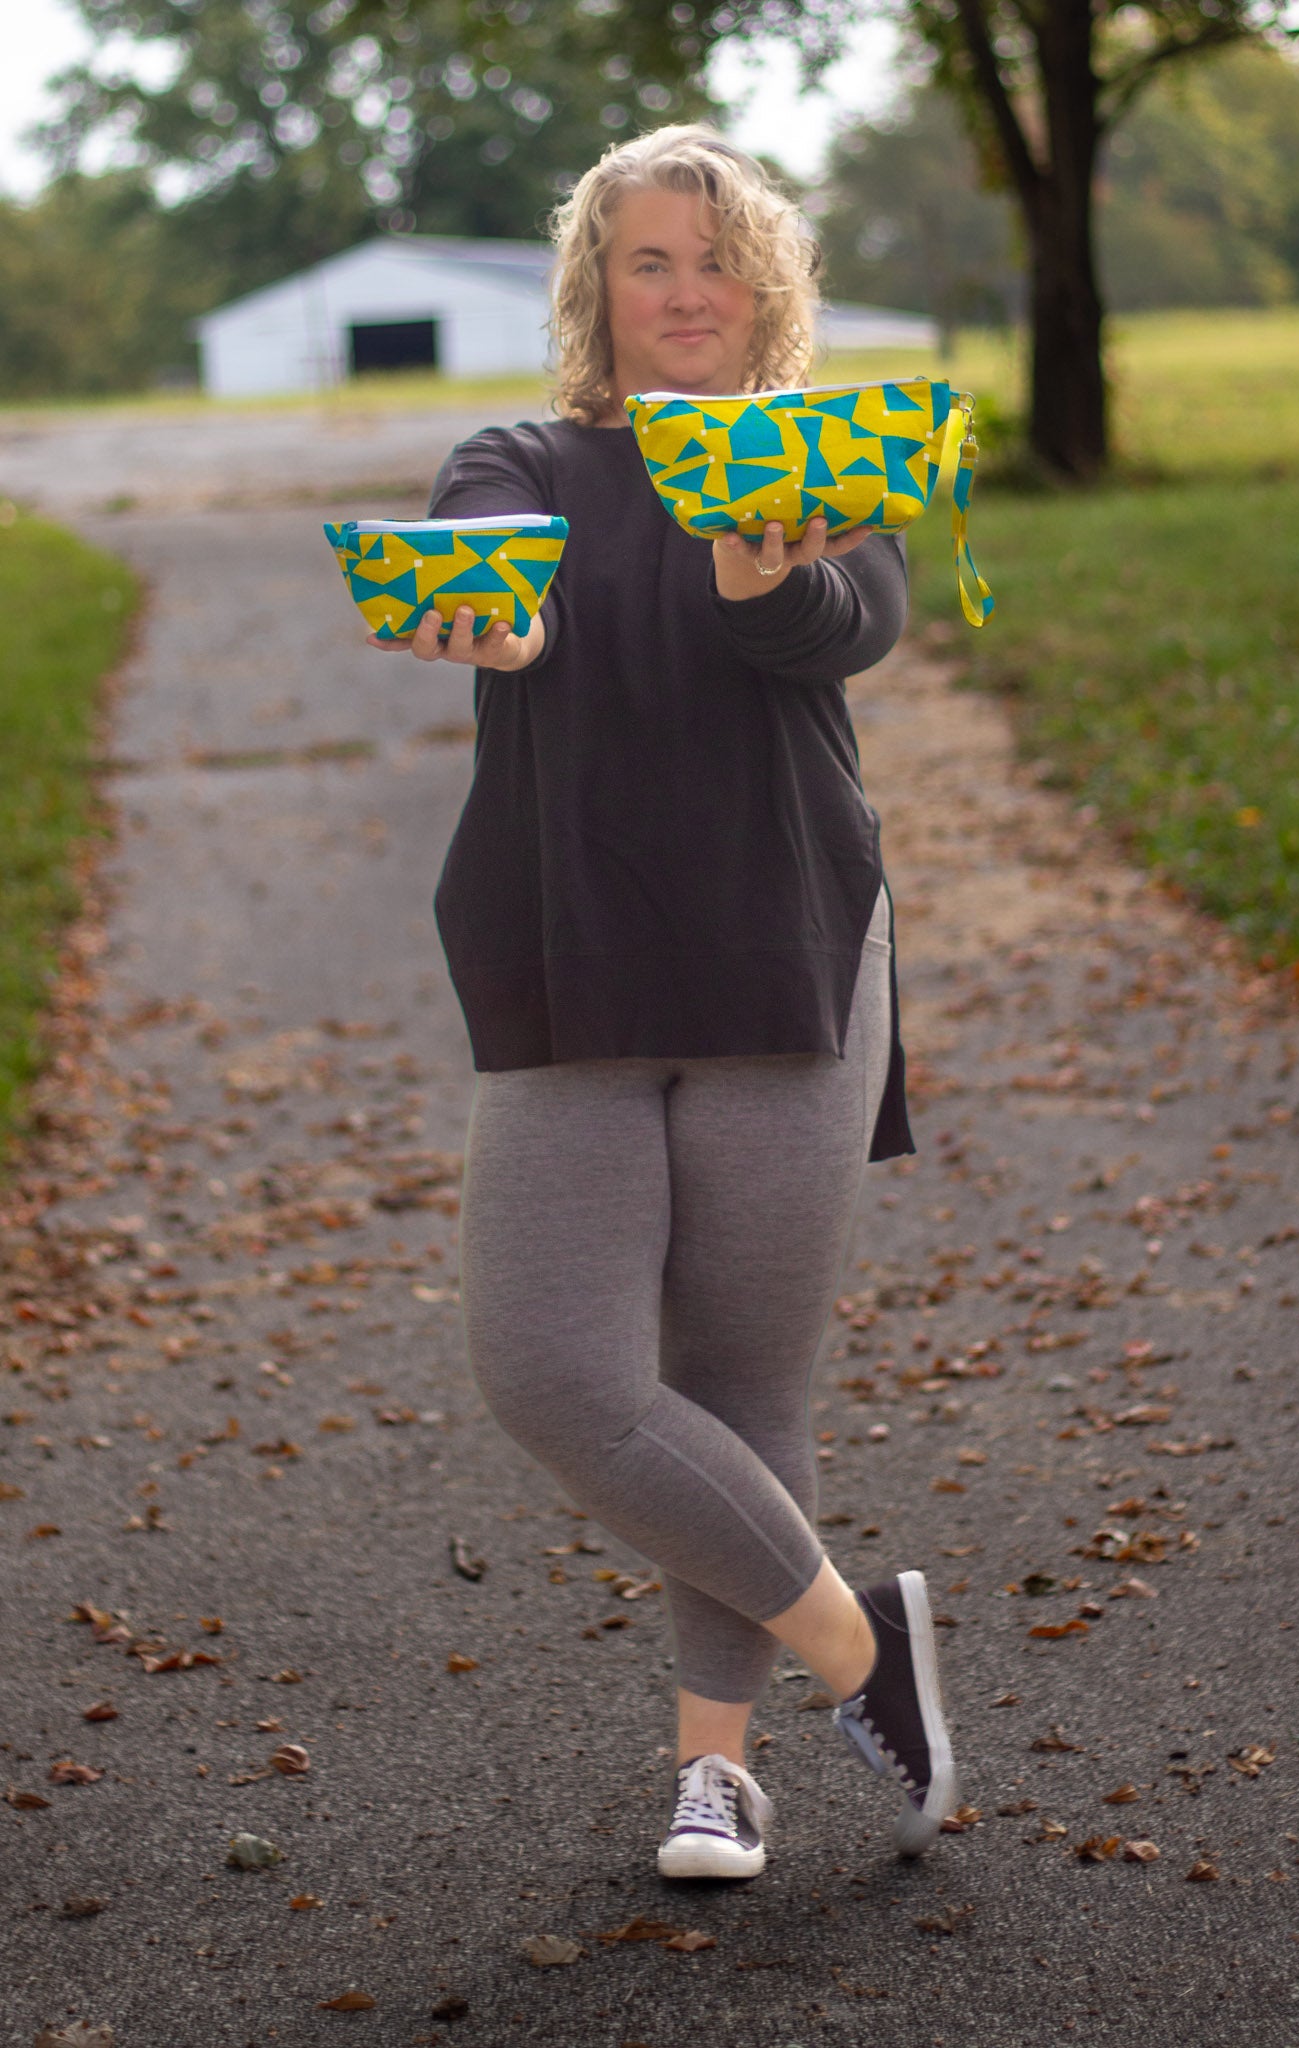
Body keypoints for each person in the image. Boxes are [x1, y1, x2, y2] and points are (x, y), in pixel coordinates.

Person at [369, 123, 956, 1878]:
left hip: (787, 941)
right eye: (648, 260)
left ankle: (719, 1774)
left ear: (761, 284)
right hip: (570, 955)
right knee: (555, 1373)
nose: (684, 290)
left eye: (714, 260)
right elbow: (505, 589)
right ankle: (862, 1650)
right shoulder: (517, 453)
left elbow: (835, 636)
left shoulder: (820, 460)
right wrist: (485, 619)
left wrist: (762, 556)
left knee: (743, 1381)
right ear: (598, 287)